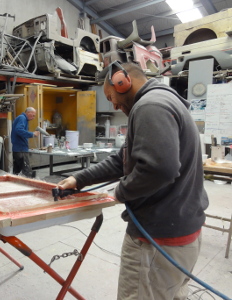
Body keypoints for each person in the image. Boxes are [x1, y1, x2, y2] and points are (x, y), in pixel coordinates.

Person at [58, 62, 209, 300]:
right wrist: (79, 178)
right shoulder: (163, 102)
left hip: (157, 242)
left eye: (111, 97)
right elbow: (123, 159)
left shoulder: (150, 106)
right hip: (180, 231)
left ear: (123, 82)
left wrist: (120, 192)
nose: (114, 105)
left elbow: (160, 169)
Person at [11, 107, 39, 177]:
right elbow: (19, 130)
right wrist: (32, 134)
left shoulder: (22, 118)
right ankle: (29, 184)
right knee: (26, 169)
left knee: (17, 169)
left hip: (18, 148)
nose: (33, 117)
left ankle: (15, 183)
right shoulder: (22, 118)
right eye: (33, 115)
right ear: (29, 113)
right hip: (21, 148)